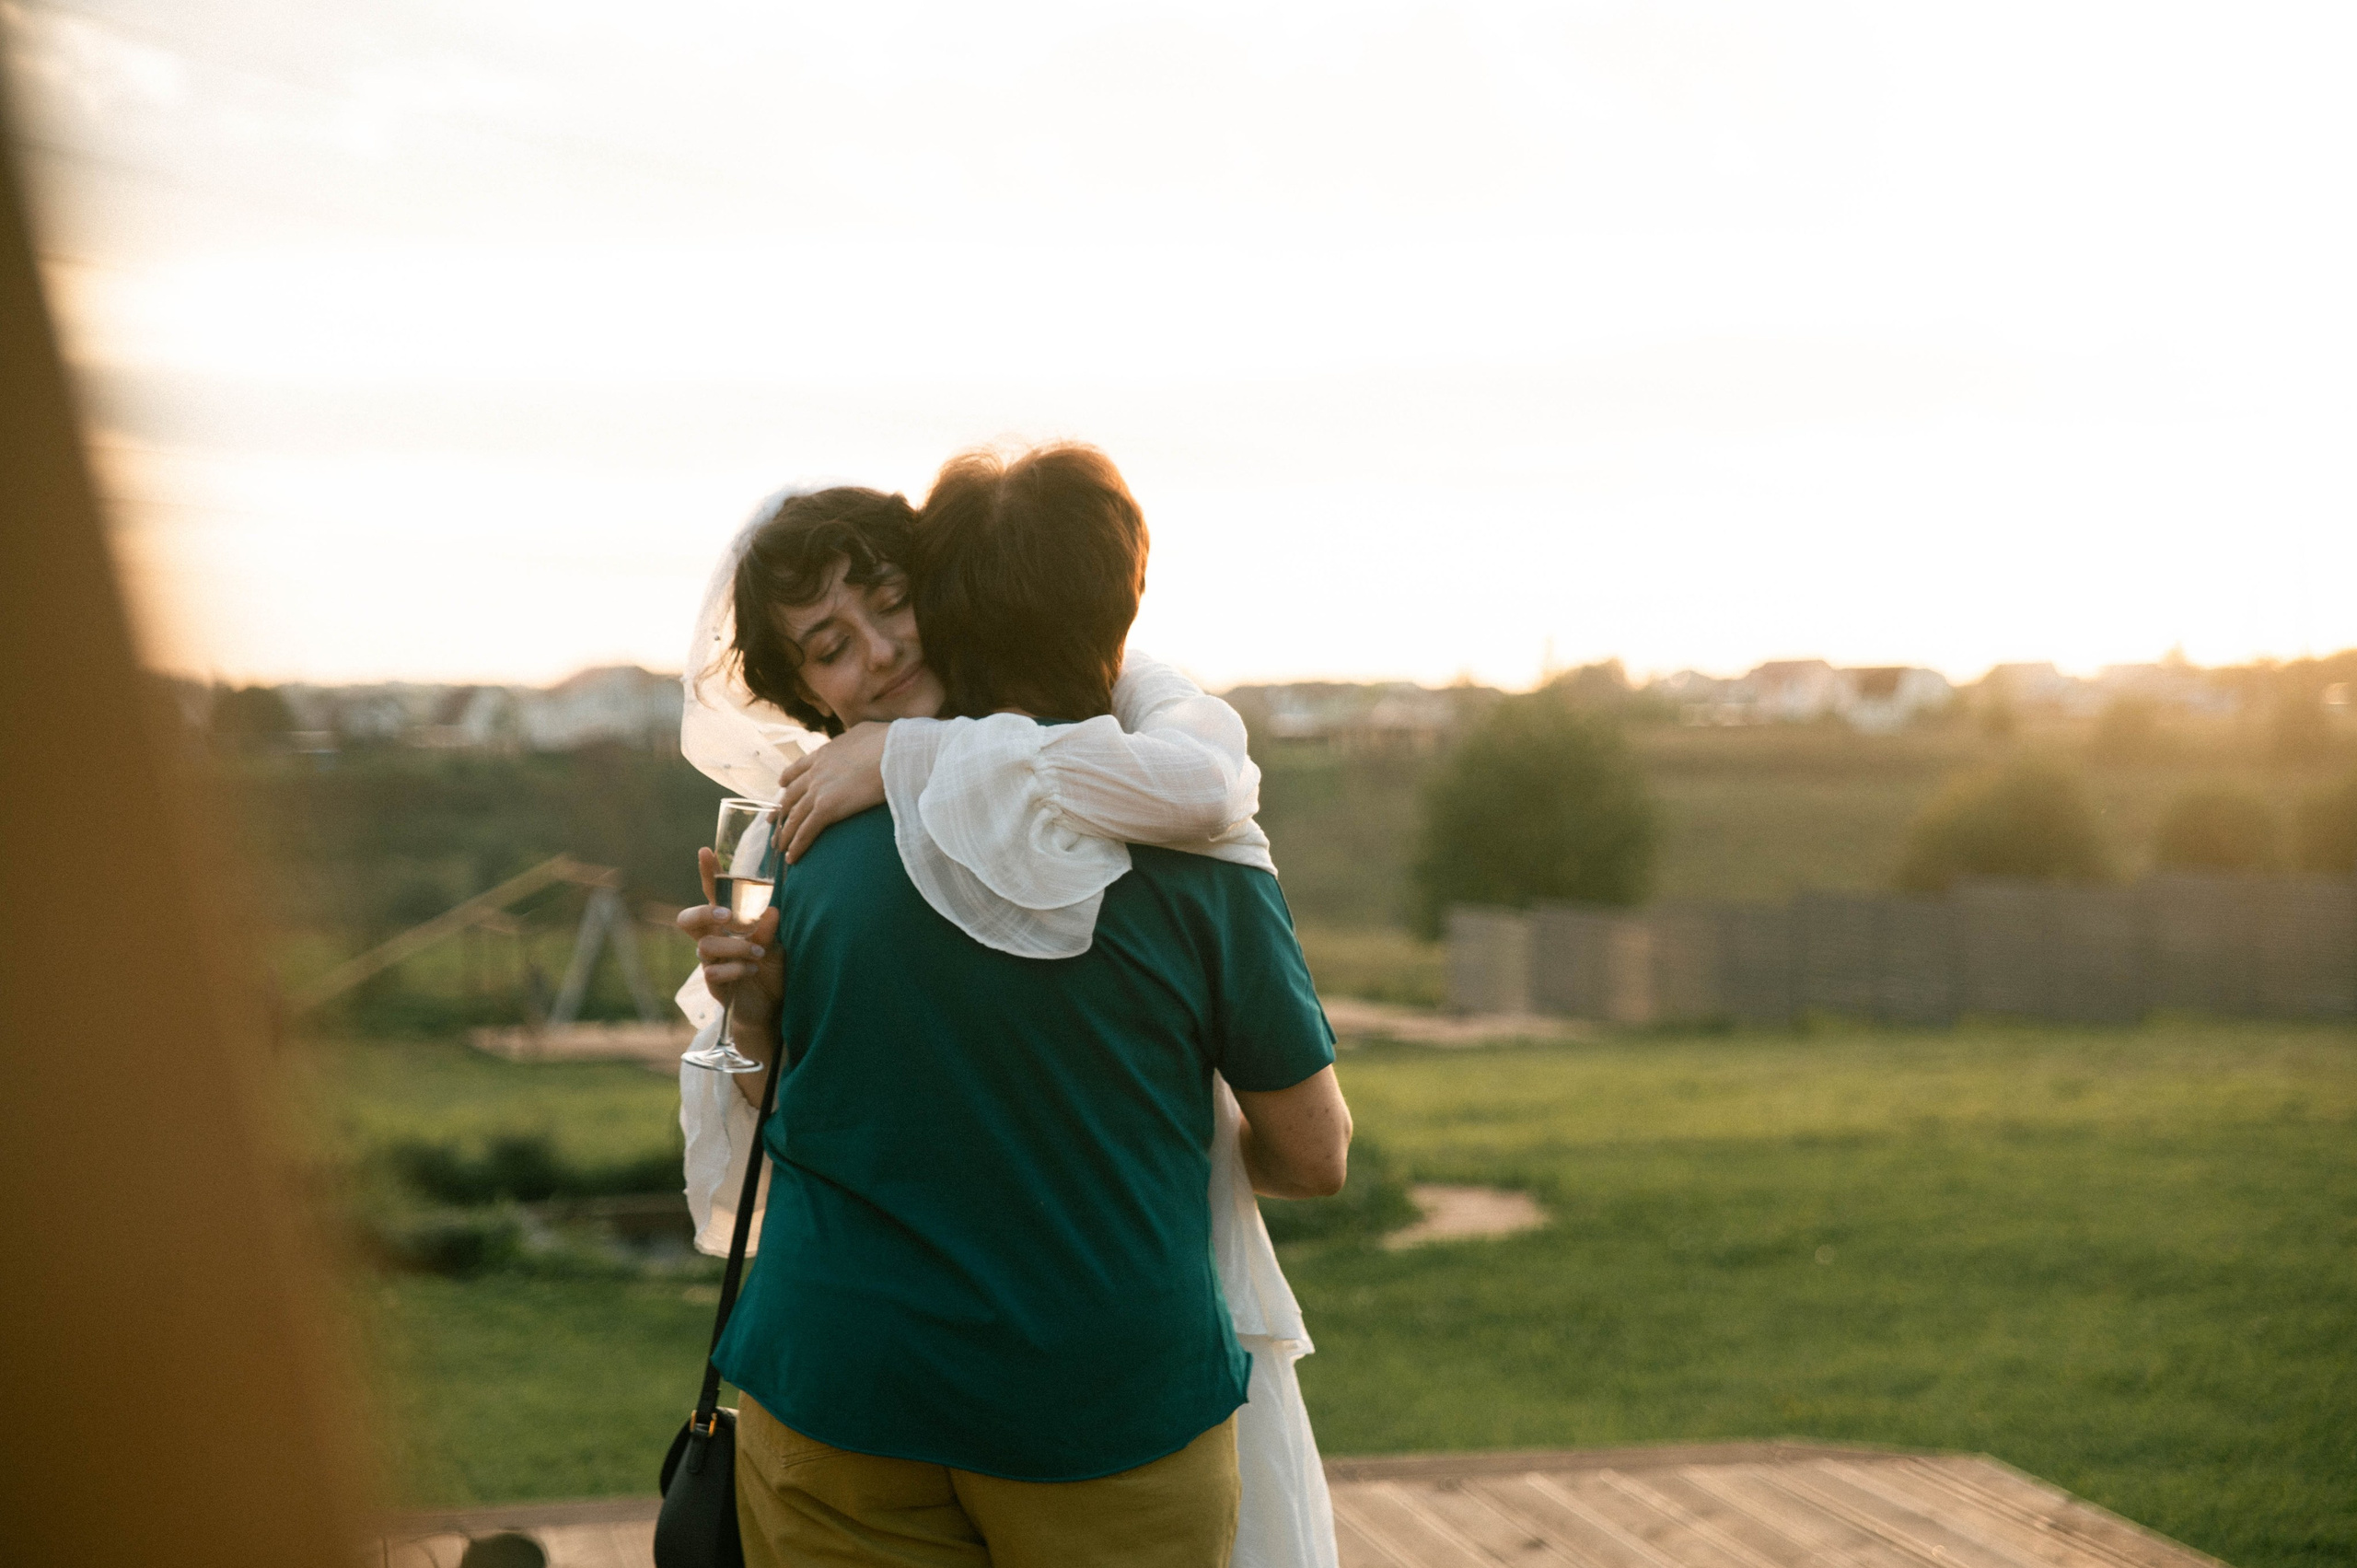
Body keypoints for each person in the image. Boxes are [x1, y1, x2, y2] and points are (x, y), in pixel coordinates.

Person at [673, 452, 1350, 1568]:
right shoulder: (1194, 853)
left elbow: (786, 1131)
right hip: (1099, 1408)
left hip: (835, 1391)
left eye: (889, 603)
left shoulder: (797, 844)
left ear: (939, 586)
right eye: (832, 646)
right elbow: (1313, 1153)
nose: (882, 651)